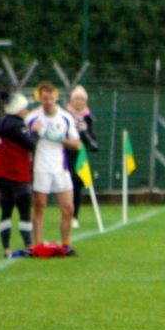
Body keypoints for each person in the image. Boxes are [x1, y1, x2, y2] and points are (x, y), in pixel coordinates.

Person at [25, 82, 81, 255]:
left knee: (68, 208)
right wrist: (34, 134)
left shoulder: (65, 118)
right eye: (44, 98)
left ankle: (66, 244)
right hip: (41, 166)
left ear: (55, 97)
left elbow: (77, 144)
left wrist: (57, 138)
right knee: (40, 206)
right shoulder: (33, 118)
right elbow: (25, 141)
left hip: (60, 168)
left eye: (50, 97)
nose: (47, 101)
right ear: (39, 98)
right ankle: (38, 245)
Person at [0, 92, 37, 258]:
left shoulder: (1, 123)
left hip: (0, 173)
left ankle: (6, 248)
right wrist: (36, 132)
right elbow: (31, 144)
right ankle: (28, 245)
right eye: (24, 107)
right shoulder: (17, 125)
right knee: (24, 208)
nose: (26, 110)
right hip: (16, 173)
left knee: (6, 210)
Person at [65, 85, 100, 230]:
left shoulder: (87, 117)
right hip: (66, 153)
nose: (79, 102)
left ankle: (74, 216)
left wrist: (86, 134)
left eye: (82, 99)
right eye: (76, 99)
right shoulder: (65, 115)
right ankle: (65, 213)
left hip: (80, 155)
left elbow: (92, 138)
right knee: (67, 184)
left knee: (77, 184)